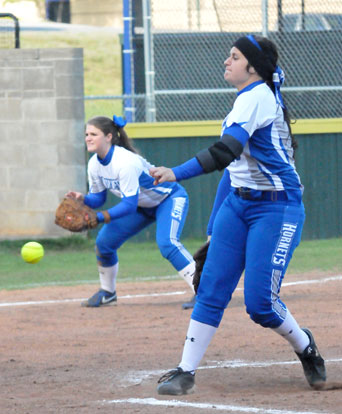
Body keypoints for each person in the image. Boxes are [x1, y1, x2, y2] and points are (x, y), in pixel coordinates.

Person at [150, 35, 326, 394]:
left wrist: (175, 172)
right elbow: (233, 174)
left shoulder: (258, 96)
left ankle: (305, 345)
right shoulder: (243, 101)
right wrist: (216, 228)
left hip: (277, 207)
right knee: (211, 289)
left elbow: (224, 153)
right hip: (238, 204)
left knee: (260, 304)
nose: (226, 62)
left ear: (253, 66)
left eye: (234, 57)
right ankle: (185, 371)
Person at [66, 115, 196, 308]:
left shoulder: (124, 162)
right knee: (104, 243)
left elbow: (128, 205)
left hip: (168, 198)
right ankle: (108, 293)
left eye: (94, 134)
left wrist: (100, 217)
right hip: (142, 206)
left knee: (167, 243)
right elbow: (99, 199)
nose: (88, 138)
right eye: (86, 134)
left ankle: (205, 291)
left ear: (109, 136)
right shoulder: (94, 164)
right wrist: (83, 199)